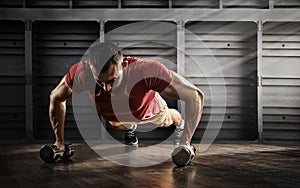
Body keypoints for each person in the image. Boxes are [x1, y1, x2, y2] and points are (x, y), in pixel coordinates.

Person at [49, 42, 204, 158]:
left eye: (112, 81)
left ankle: (180, 124)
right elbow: (56, 98)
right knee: (120, 125)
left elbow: (195, 95)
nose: (106, 89)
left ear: (124, 65)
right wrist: (59, 142)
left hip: (149, 111)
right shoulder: (82, 74)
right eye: (99, 82)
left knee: (169, 119)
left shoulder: (145, 70)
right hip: (116, 117)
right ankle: (130, 128)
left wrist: (185, 143)